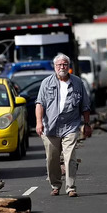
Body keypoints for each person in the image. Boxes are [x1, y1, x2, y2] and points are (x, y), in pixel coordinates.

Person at [35, 53, 92, 197]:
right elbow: (40, 104)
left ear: (69, 66)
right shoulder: (46, 83)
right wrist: (39, 123)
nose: (62, 67)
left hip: (70, 126)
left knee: (70, 156)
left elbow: (85, 106)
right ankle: (55, 185)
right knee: (52, 159)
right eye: (59, 64)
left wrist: (86, 124)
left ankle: (71, 187)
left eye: (65, 64)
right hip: (50, 126)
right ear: (54, 67)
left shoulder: (78, 83)